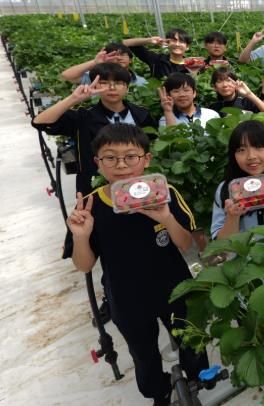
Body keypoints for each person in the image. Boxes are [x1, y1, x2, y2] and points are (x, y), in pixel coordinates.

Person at [65, 124, 208, 405]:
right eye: (110, 157)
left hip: (175, 288)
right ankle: (158, 392)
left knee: (191, 341)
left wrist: (166, 218)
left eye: (131, 156)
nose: (121, 165)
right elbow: (84, 265)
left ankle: (198, 379)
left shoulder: (165, 192)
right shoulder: (91, 205)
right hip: (126, 297)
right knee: (143, 353)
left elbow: (188, 245)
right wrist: (81, 236)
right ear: (98, 163)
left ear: (146, 160)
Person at [31, 62, 156, 195]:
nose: (112, 87)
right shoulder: (83, 117)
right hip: (94, 186)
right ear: (94, 85)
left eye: (118, 83)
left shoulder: (141, 114)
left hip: (137, 185)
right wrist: (73, 99)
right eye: (104, 82)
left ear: (126, 87)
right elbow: (39, 122)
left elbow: (152, 146)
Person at [61, 43, 147, 86]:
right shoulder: (95, 78)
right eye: (113, 55)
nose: (118, 58)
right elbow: (66, 75)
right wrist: (95, 62)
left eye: (122, 55)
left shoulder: (141, 82)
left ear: (130, 60)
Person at [123, 28, 192, 79]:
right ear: (167, 43)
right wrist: (149, 40)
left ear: (187, 47)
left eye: (181, 42)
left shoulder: (193, 65)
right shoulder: (157, 60)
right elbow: (125, 43)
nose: (177, 44)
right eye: (174, 41)